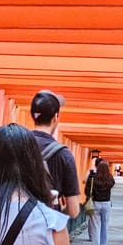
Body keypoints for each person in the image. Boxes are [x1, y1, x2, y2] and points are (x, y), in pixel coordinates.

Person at [30, 90, 81, 218]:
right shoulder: (63, 154)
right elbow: (74, 211)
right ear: (55, 118)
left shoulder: (15, 145)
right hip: (47, 224)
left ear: (33, 116)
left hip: (15, 224)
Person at [84, 159, 115, 245]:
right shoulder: (109, 179)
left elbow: (87, 191)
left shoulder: (92, 178)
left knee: (95, 227)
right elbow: (112, 183)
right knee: (105, 226)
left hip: (95, 203)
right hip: (106, 203)